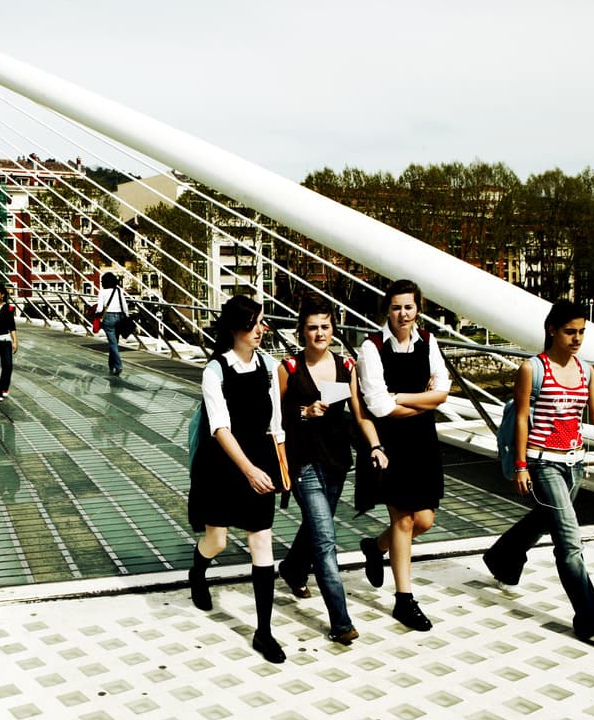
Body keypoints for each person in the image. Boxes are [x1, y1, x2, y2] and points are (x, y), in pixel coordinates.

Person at [482, 300, 594, 644]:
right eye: (570, 331)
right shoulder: (532, 369)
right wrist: (521, 465)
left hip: (575, 463)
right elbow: (522, 418)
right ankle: (591, 619)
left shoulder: (586, 370)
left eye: (582, 331)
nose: (577, 338)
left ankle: (503, 557)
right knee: (569, 542)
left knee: (546, 519)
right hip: (544, 463)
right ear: (552, 329)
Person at [187, 294, 289, 663]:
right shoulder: (214, 371)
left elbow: (276, 423)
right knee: (216, 539)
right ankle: (198, 571)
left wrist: (281, 467)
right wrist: (248, 470)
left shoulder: (268, 366)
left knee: (262, 543)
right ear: (235, 328)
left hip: (261, 461)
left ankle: (264, 631)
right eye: (255, 323)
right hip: (224, 465)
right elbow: (219, 428)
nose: (262, 329)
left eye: (263, 322)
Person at [276, 298, 381, 645]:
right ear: (301, 331)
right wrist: (305, 412)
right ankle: (340, 622)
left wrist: (376, 446)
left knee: (315, 529)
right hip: (305, 463)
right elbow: (277, 419)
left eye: (325, 326)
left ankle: (291, 569)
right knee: (325, 543)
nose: (319, 333)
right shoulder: (289, 368)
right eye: (312, 327)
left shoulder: (345, 366)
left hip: (337, 463)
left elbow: (358, 411)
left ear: (333, 329)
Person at [355, 279, 448, 632]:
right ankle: (404, 600)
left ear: (418, 309)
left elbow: (442, 392)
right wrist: (423, 402)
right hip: (390, 444)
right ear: (387, 310)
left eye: (409, 307)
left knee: (424, 521)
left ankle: (375, 547)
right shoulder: (372, 347)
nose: (403, 313)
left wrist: (402, 398)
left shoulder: (428, 341)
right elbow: (378, 407)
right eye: (396, 307)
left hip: (423, 442)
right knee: (404, 521)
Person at [94, 271, 128, 376]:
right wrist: (126, 316)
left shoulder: (102, 292)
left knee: (112, 343)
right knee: (114, 342)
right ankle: (111, 365)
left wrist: (95, 314)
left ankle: (118, 366)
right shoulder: (118, 291)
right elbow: (124, 305)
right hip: (119, 317)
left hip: (108, 318)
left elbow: (99, 308)